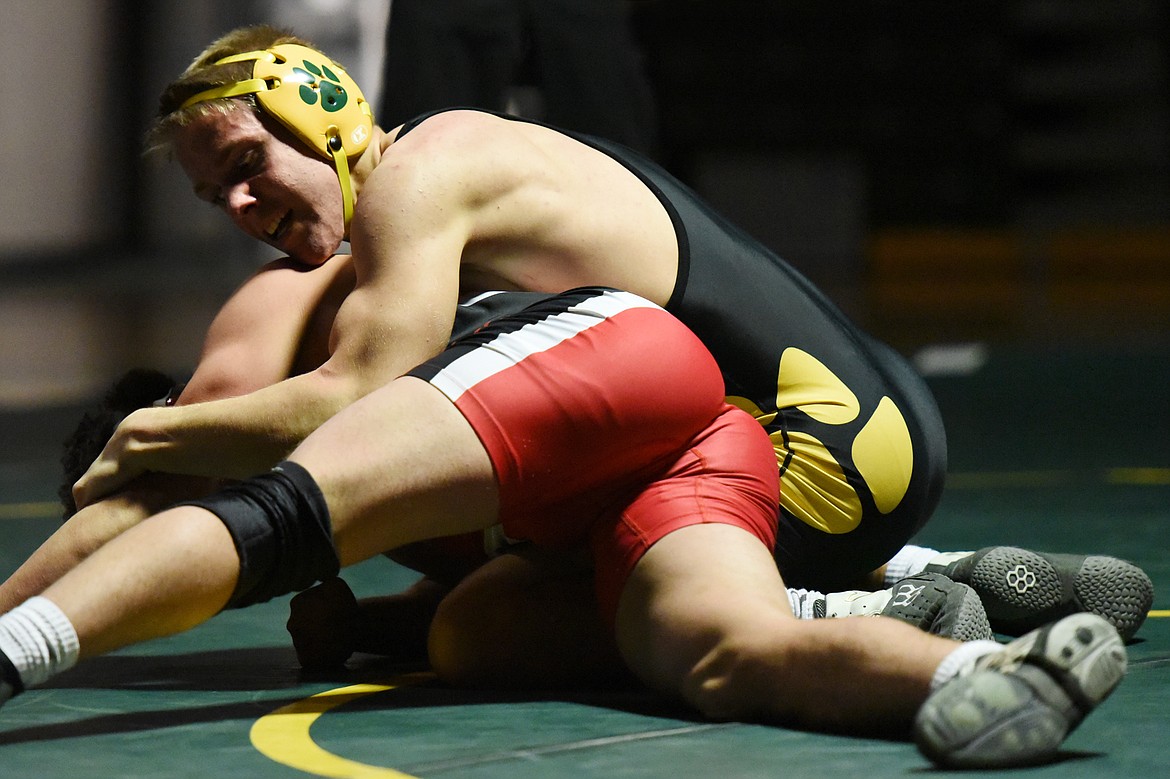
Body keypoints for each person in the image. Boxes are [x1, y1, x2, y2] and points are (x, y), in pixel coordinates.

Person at [65, 25, 1149, 644]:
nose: (247, 211)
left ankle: (859, 598)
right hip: (851, 427)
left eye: (250, 167)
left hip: (815, 454)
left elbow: (351, 400)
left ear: (321, 111)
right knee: (473, 542)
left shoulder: (418, 184)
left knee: (478, 626)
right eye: (221, 201)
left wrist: (149, 441)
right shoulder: (448, 182)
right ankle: (916, 566)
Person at [0, 284, 1129, 769]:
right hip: (644, 456)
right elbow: (497, 531)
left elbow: (179, 504)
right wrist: (377, 630)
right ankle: (970, 664)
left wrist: (20, 611)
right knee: (714, 653)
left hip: (596, 365)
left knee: (277, 518)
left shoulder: (245, 356)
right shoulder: (404, 469)